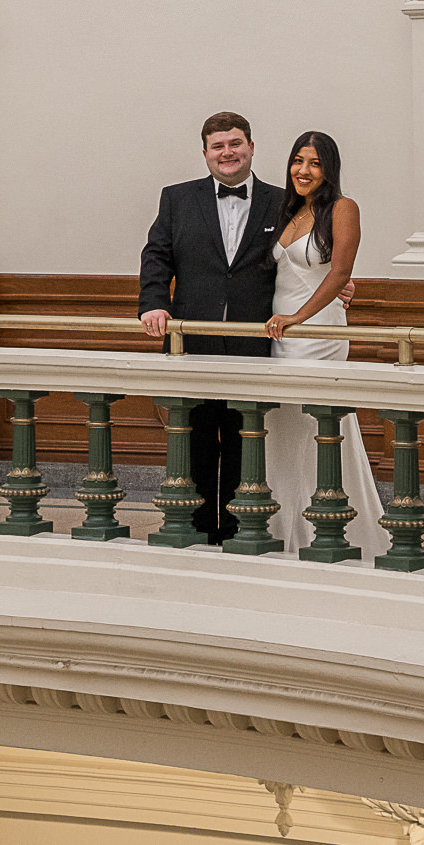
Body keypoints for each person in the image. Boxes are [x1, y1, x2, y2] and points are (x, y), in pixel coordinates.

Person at [138, 111, 288, 544]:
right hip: (192, 341)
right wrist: (153, 305)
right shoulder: (177, 198)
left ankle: (243, 531)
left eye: (235, 143)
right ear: (205, 153)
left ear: (252, 147)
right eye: (218, 146)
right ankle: (198, 530)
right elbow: (157, 256)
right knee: (196, 441)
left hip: (254, 343)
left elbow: (301, 258)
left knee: (247, 442)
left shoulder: (281, 202)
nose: (228, 152)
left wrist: (339, 283)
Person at [261, 131, 390, 559]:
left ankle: (333, 528)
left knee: (317, 425)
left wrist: (301, 317)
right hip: (281, 335)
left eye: (315, 163)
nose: (304, 170)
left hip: (317, 333)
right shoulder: (290, 210)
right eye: (298, 161)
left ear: (329, 169)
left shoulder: (342, 208)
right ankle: (286, 528)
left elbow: (339, 272)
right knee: (284, 426)